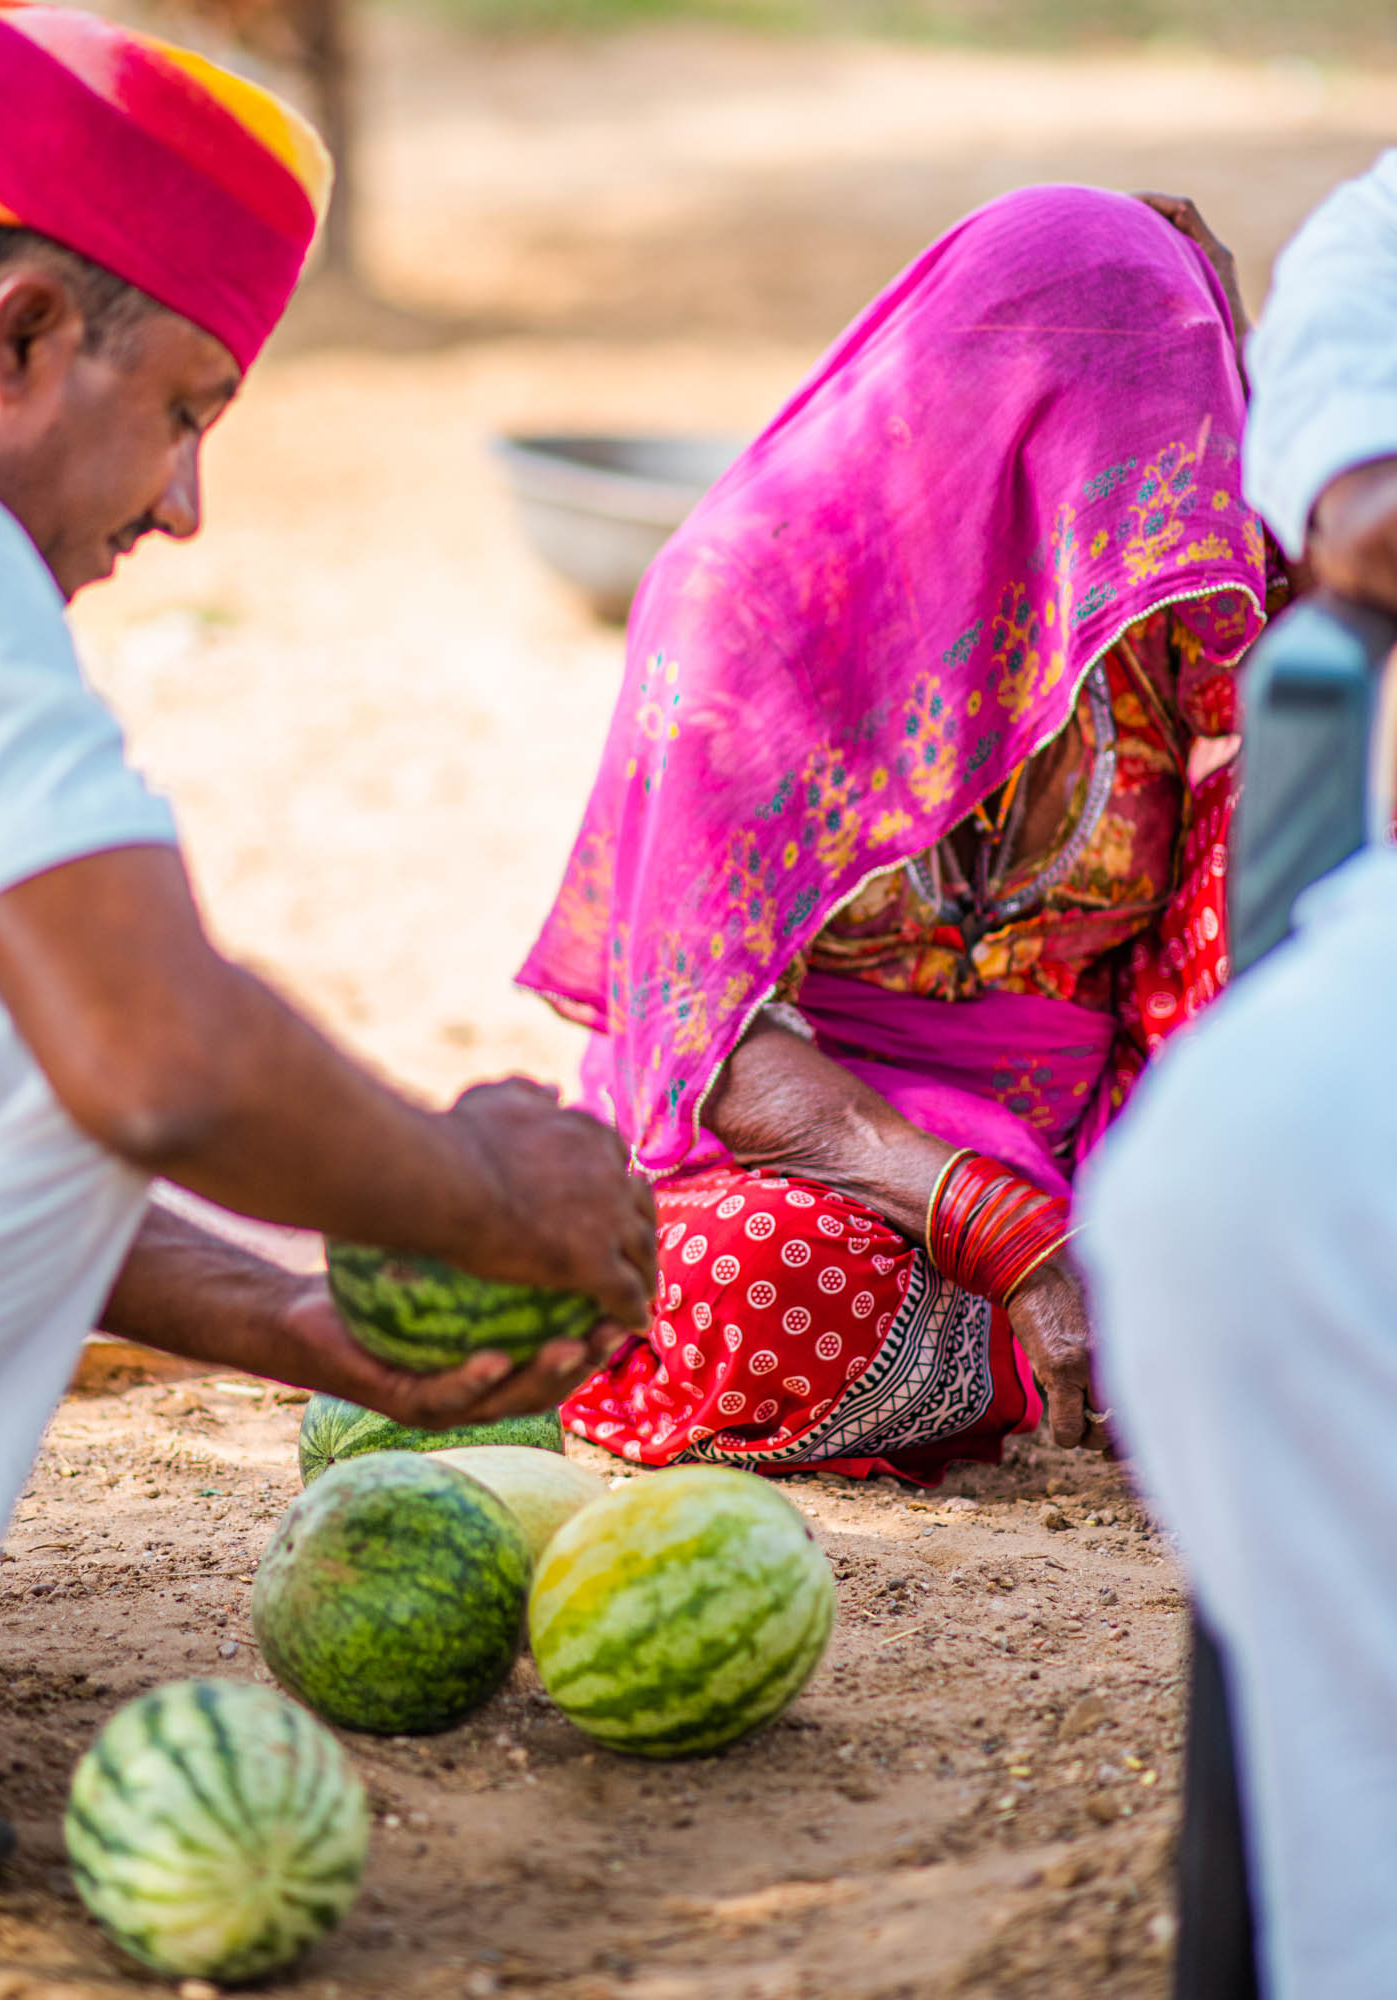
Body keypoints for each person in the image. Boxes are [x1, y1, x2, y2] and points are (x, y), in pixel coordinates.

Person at [0, 0, 654, 1907]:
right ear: (18, 336)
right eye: (187, 410)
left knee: (25, 967)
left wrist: (279, 1319)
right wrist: (488, 1205)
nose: (186, 507)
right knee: (51, 976)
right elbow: (147, 1055)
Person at [519, 183, 1287, 1483]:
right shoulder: (747, 610)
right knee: (745, 1286)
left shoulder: (1168, 596)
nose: (1152, 482)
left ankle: (1125, 1327)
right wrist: (1003, 1230)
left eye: (1180, 427)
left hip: (1114, 1134)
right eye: (1108, 433)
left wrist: (1241, 361)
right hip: (836, 1168)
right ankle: (1135, 1344)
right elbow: (710, 1048)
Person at [1077, 151, 1397, 2000]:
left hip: (1014, 1151)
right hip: (918, 1167)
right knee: (1221, 1186)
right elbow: (1365, 513)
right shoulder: (1380, 244)